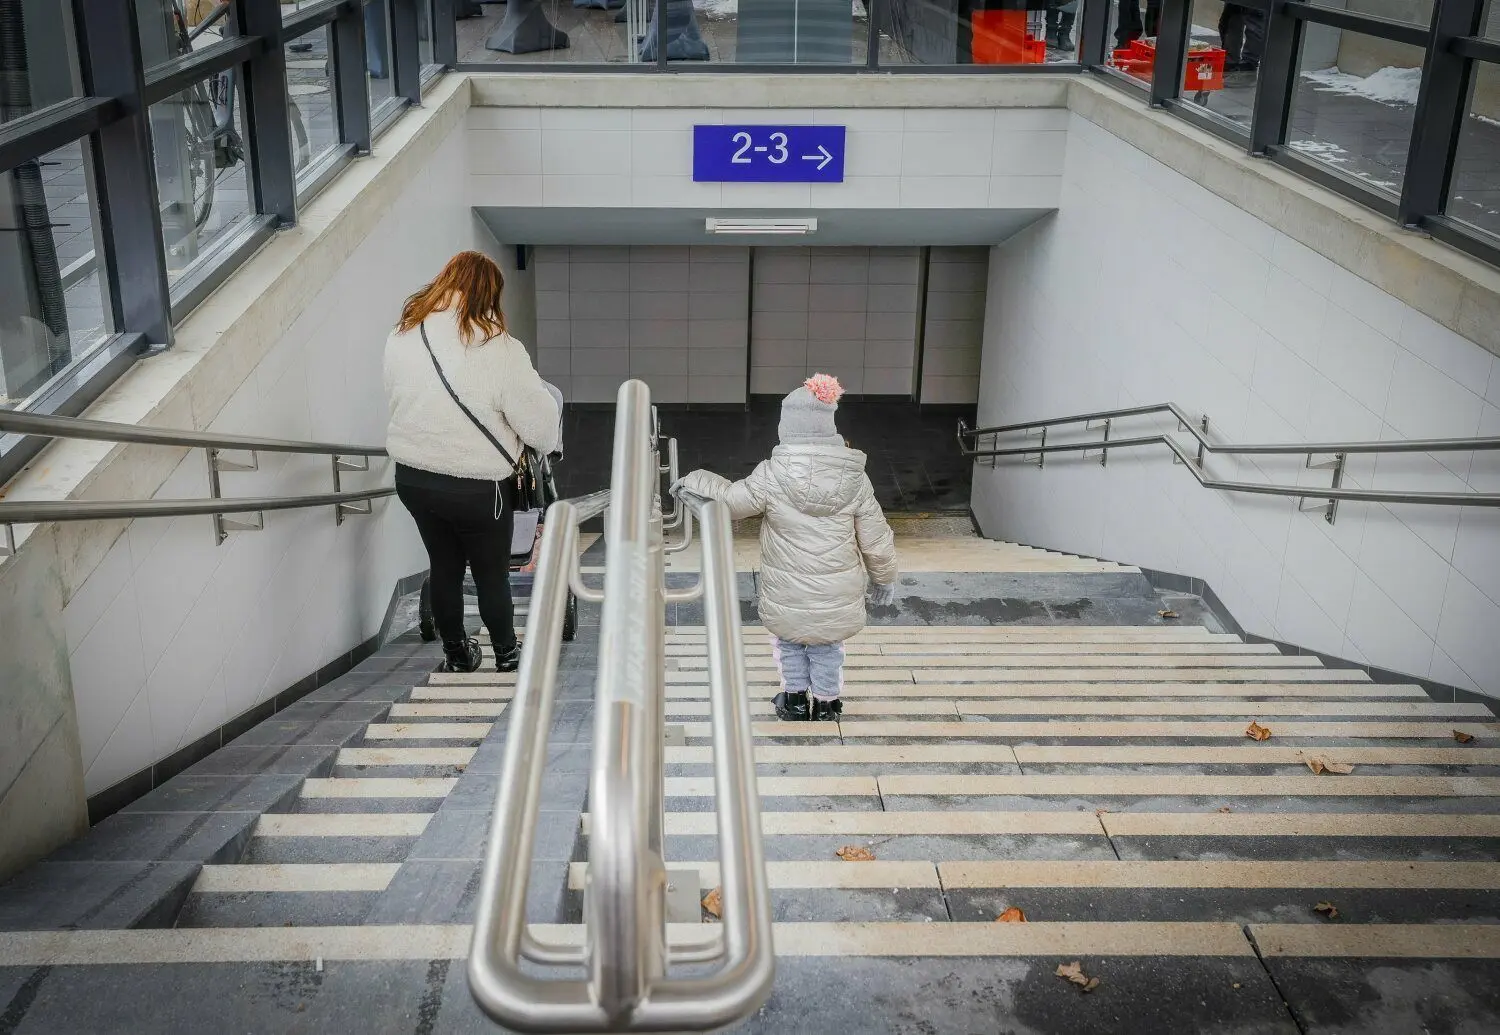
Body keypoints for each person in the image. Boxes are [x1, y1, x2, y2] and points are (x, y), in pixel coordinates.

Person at [674, 374, 898, 722]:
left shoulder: (772, 473)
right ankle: (827, 703)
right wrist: (885, 578)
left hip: (786, 587)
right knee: (827, 646)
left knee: (789, 643)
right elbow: (875, 535)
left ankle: (793, 700)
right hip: (835, 590)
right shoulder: (855, 477)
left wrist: (694, 479)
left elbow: (730, 502)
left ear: (787, 429)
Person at [384, 251, 560, 674]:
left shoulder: (402, 335)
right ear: (490, 293)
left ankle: (458, 655)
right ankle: (506, 653)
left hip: (414, 478)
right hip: (476, 486)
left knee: (443, 565)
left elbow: (400, 395)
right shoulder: (498, 346)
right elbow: (538, 428)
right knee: (490, 573)